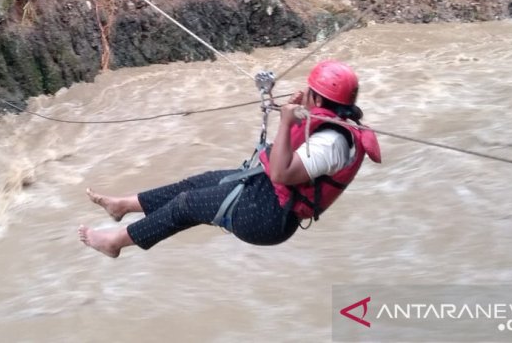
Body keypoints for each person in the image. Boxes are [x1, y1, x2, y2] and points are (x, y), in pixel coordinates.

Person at [78, 60, 382, 258]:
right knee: (197, 183)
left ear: (317, 97)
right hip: (268, 196)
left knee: (186, 203)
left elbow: (280, 173)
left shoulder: (332, 142)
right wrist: (290, 112)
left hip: (269, 216)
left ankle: (115, 241)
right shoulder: (326, 122)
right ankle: (123, 206)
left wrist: (287, 122)